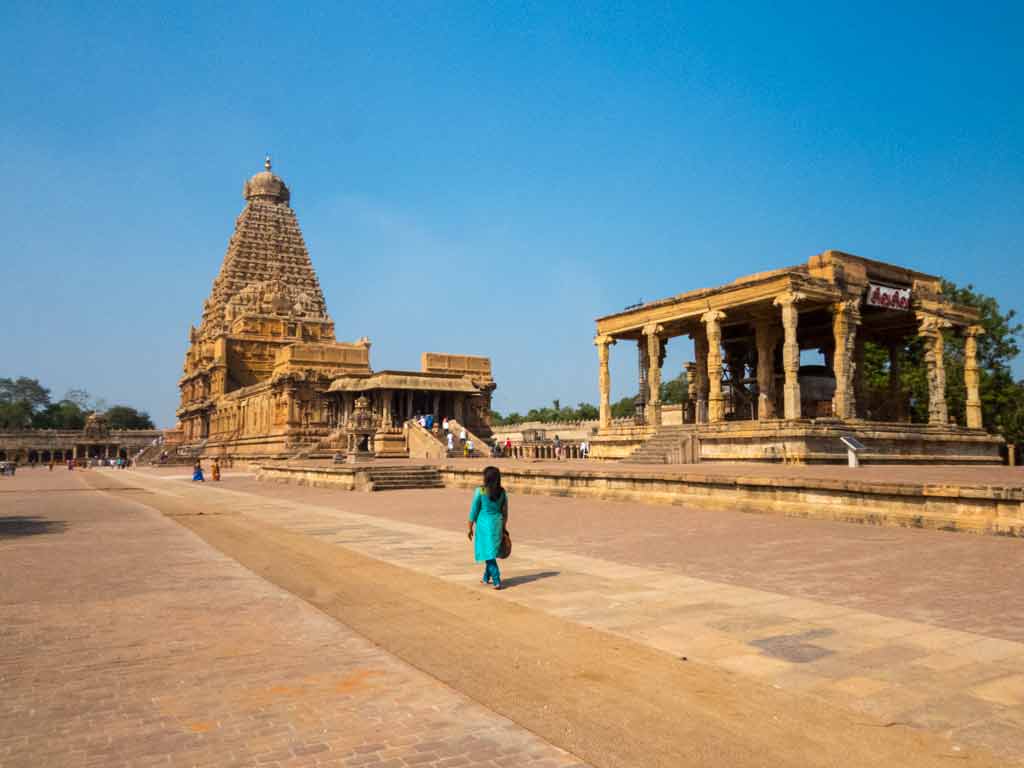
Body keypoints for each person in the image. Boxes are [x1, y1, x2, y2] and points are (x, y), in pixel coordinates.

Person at [467, 466, 508, 590]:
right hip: (497, 523)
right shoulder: (502, 492)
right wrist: (503, 526)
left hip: (484, 526)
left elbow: (474, 510)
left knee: (488, 553)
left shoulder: (481, 491)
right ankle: (486, 577)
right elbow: (505, 512)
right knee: (490, 551)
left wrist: (469, 527)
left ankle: (497, 579)